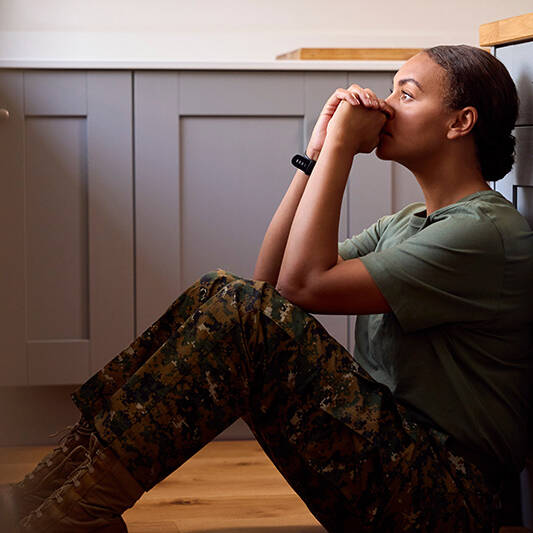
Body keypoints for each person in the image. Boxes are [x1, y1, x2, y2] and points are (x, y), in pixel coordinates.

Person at [1, 44, 531, 532]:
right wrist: (317, 153)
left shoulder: (481, 234)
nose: (386, 105)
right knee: (221, 292)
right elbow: (269, 282)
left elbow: (302, 286)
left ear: (460, 122)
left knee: (241, 310)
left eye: (406, 94)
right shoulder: (408, 223)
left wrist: (344, 148)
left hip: (444, 497)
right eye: (391, 89)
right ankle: (50, 494)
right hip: (396, 460)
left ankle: (70, 516)